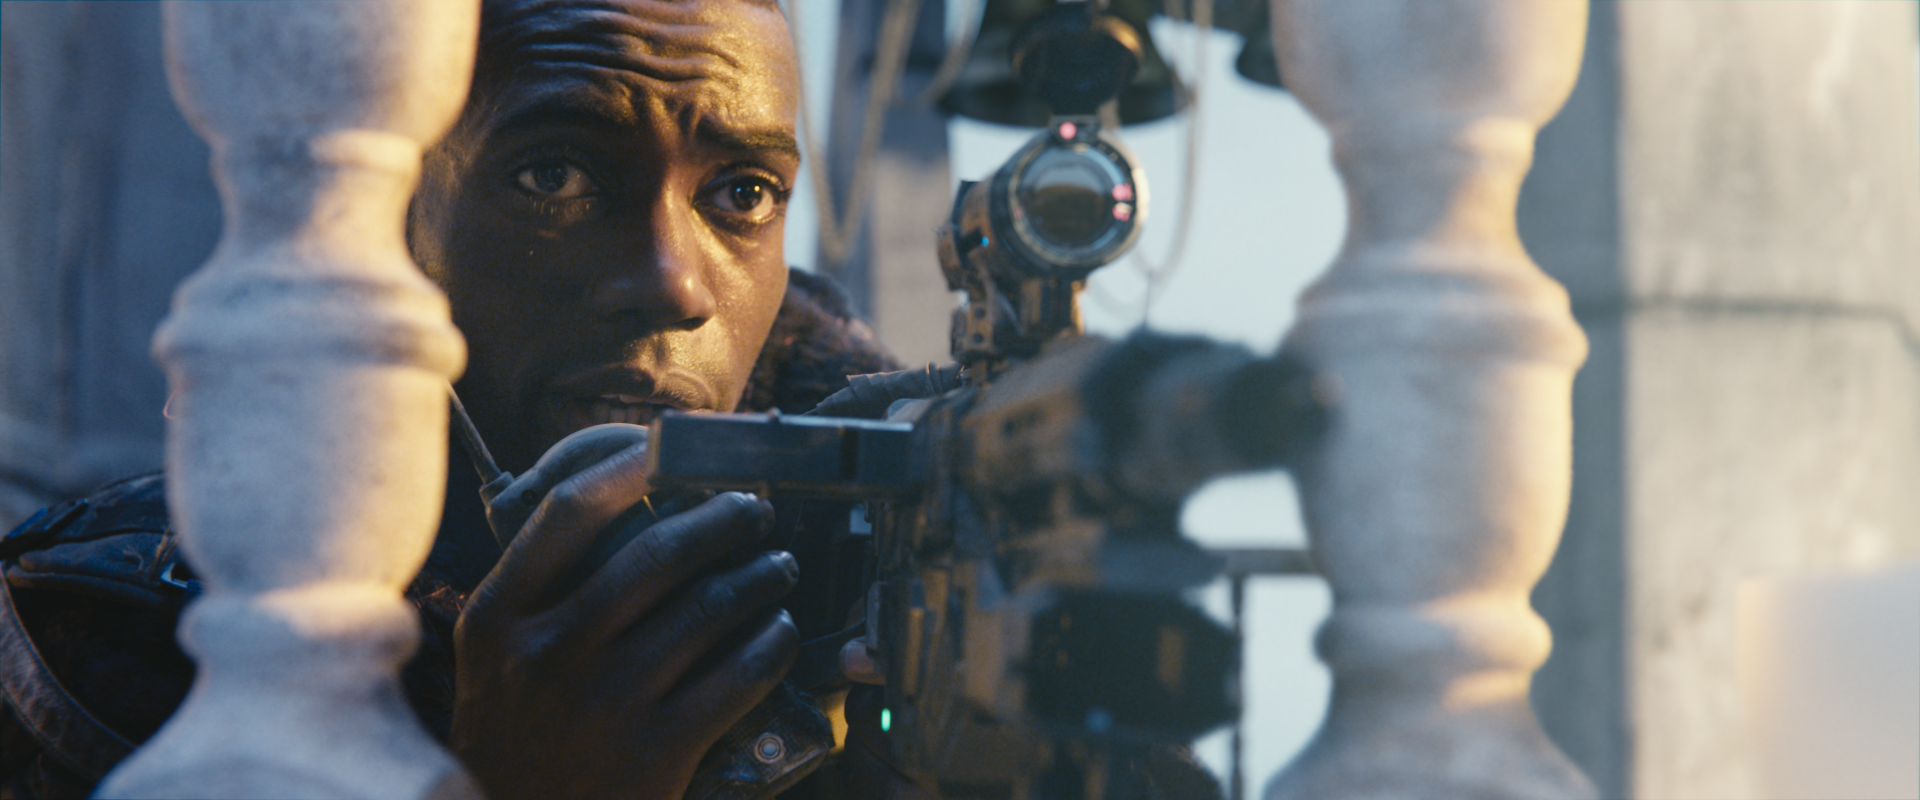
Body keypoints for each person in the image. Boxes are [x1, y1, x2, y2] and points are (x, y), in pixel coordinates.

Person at [0, 0, 906, 797]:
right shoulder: (112, 641)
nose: (675, 284)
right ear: (388, 229)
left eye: (744, 193)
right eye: (554, 177)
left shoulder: (890, 573)